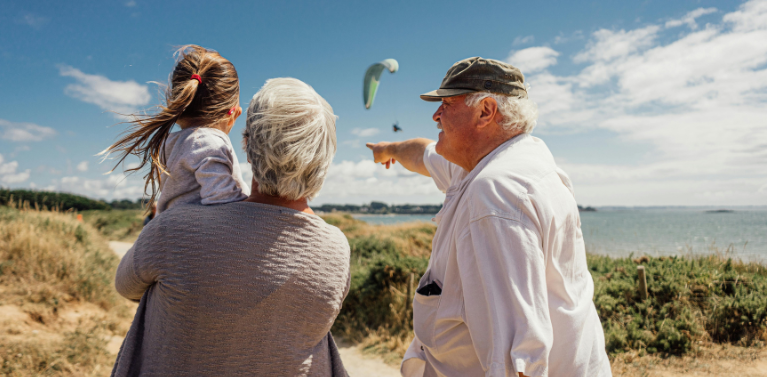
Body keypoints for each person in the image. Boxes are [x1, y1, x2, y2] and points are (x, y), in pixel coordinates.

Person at [366, 57, 611, 377]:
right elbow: (424, 154)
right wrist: (389, 149)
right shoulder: (505, 161)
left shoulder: (495, 194)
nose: (435, 115)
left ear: (486, 111)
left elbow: (516, 361)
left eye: (447, 104)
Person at [112, 78, 351, 376]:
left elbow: (126, 286)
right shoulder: (336, 248)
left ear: (247, 145)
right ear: (324, 158)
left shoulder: (174, 229)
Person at [103, 45, 249, 215]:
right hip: (197, 236)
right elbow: (223, 200)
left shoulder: (170, 143)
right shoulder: (208, 142)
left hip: (170, 230)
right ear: (233, 113)